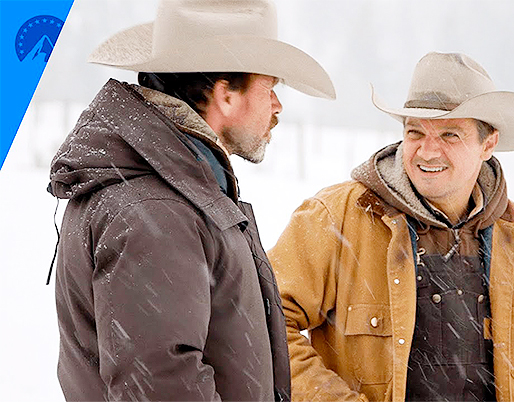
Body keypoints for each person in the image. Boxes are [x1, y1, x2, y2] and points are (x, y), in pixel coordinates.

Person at [47, 0, 334, 400]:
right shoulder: (157, 212)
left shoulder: (168, 190)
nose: (277, 106)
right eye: (270, 88)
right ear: (226, 95)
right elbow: (163, 385)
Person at [268, 52, 514, 402]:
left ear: (488, 143)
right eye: (415, 132)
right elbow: (268, 321)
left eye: (450, 134)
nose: (428, 152)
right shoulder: (335, 217)